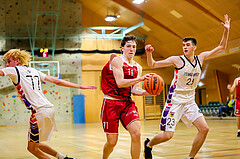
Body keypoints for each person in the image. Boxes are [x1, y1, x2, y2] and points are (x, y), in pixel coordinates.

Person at [144, 14, 230, 159]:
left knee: (204, 129)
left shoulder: (201, 58)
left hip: (189, 101)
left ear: (194, 47)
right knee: (167, 136)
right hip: (175, 102)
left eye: (188, 45)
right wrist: (149, 54)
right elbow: (152, 65)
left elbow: (222, 46)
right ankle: (148, 145)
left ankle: (190, 157)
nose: (185, 47)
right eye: (183, 45)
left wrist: (226, 30)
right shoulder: (176, 60)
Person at [0, 49, 97, 159]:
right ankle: (63, 158)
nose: (7, 65)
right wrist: (80, 86)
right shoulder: (34, 71)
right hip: (49, 109)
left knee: (32, 148)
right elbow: (57, 81)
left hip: (38, 113)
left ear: (17, 61)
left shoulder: (14, 70)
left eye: (9, 61)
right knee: (37, 143)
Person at [100, 35, 154, 159]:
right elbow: (120, 82)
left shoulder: (138, 67)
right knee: (112, 142)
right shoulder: (117, 60)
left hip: (127, 103)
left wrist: (148, 92)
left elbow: (135, 90)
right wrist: (140, 79)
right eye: (128, 46)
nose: (131, 49)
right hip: (111, 103)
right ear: (122, 48)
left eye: (134, 47)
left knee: (137, 134)